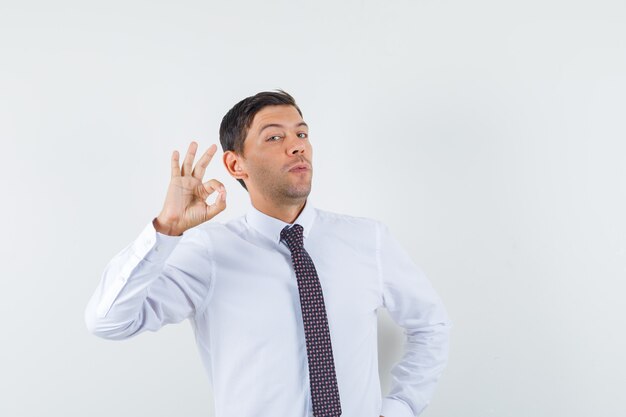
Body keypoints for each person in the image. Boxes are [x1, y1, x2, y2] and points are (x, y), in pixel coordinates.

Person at [84, 90, 451, 417]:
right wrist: (167, 227)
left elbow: (430, 325)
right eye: (275, 136)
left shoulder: (368, 239)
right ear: (235, 165)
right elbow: (109, 322)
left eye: (302, 134)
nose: (297, 146)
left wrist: (401, 405)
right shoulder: (209, 252)